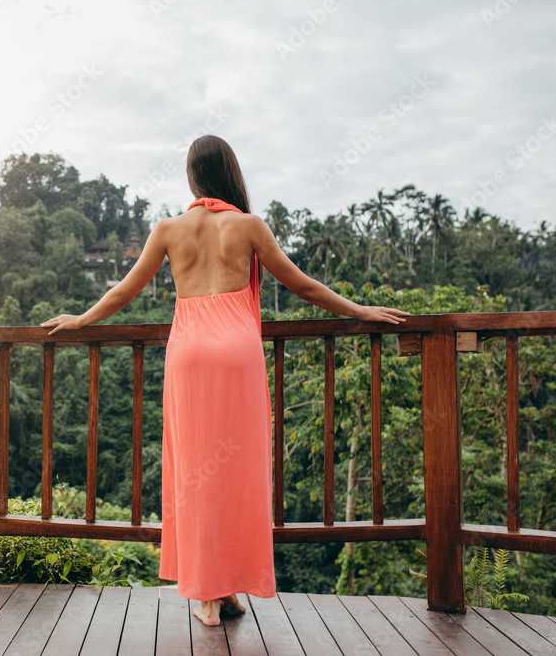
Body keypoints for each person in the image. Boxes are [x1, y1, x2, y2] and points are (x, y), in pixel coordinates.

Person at [40, 135, 409, 626]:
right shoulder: (249, 225)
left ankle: (209, 597)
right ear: (230, 173)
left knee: (194, 473)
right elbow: (301, 285)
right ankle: (229, 587)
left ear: (193, 178)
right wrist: (361, 310)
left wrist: (81, 319)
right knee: (239, 474)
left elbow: (124, 291)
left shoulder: (169, 229)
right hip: (237, 354)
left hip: (189, 355)